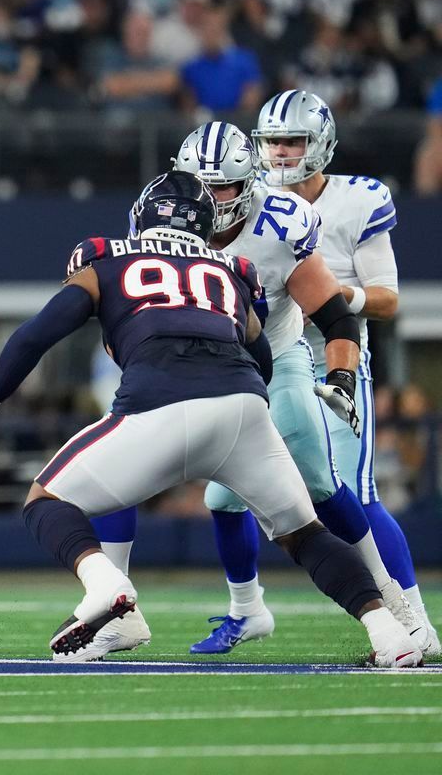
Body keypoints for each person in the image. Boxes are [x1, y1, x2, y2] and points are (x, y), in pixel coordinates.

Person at [0, 170, 420, 669]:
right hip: (243, 409)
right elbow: (260, 351)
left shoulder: (105, 258)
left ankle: (109, 586)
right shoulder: (235, 269)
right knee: (305, 534)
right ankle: (389, 632)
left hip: (160, 403)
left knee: (46, 499)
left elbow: (36, 334)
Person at [87, 120, 425, 658]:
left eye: (222, 186)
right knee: (115, 465)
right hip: (181, 353)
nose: (208, 197)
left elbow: (334, 317)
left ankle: (394, 604)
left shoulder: (282, 222)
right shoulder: (157, 211)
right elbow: (124, 304)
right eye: (198, 183)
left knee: (316, 482)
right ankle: (116, 609)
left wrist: (338, 374)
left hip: (274, 353)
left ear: (248, 183)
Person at [253, 89, 439, 654]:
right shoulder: (247, 196)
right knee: (237, 489)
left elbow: (387, 300)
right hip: (271, 357)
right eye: (273, 142)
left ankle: (415, 621)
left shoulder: (357, 201)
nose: (281, 153)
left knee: (354, 493)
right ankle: (244, 607)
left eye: (293, 141)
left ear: (321, 145)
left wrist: (326, 296)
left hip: (336, 356)